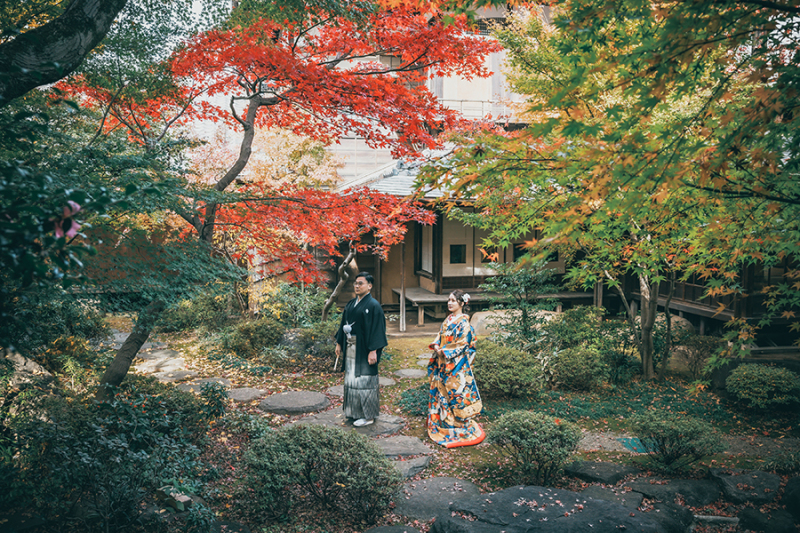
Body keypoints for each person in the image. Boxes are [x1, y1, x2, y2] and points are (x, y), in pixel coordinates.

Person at [427, 289, 484, 447]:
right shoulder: (449, 319)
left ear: (462, 303)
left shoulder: (464, 323)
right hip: (442, 362)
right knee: (442, 392)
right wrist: (437, 345)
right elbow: (440, 335)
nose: (449, 303)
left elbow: (462, 345)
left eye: (453, 300)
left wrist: (444, 351)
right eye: (449, 300)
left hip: (456, 365)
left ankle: (456, 425)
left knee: (456, 394)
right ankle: (444, 423)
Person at [335, 272, 387, 427]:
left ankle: (368, 416)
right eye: (355, 283)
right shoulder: (351, 303)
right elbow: (343, 324)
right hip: (351, 347)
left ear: (369, 286)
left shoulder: (374, 305)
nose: (357, 286)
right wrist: (339, 343)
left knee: (365, 381)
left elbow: (378, 329)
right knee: (352, 380)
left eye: (360, 283)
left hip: (365, 349)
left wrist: (373, 350)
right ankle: (354, 412)